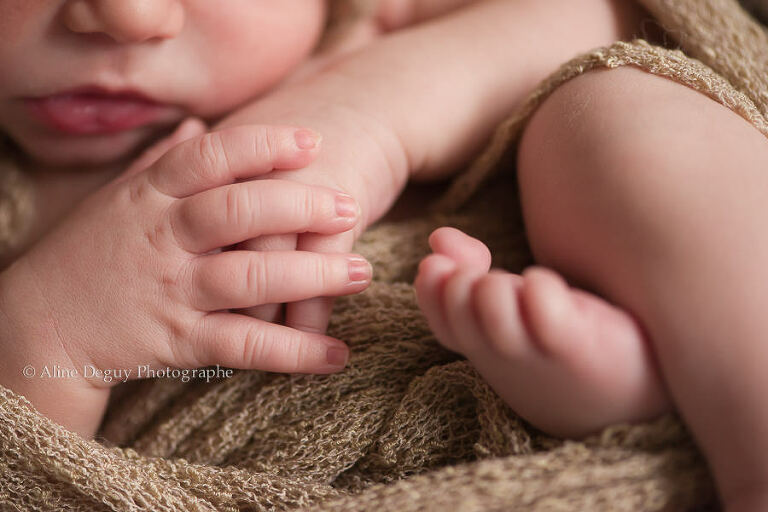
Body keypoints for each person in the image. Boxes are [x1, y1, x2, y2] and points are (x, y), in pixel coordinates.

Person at [0, 1, 764, 510]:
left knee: (612, 99)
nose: (125, 15)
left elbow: (608, 12)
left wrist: (367, 108)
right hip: (437, 451)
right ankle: (636, 396)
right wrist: (46, 338)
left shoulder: (365, 22)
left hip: (641, 278)